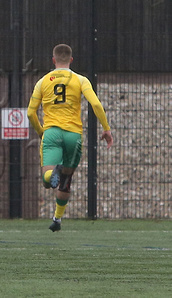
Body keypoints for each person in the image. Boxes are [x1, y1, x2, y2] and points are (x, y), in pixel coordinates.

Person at [27, 44, 113, 232]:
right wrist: (106, 129)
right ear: (71, 60)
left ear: (53, 60)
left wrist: (42, 132)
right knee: (66, 180)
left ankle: (52, 174)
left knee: (47, 179)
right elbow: (96, 104)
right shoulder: (80, 80)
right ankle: (57, 219)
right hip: (73, 135)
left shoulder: (43, 81)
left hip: (51, 133)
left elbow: (30, 113)